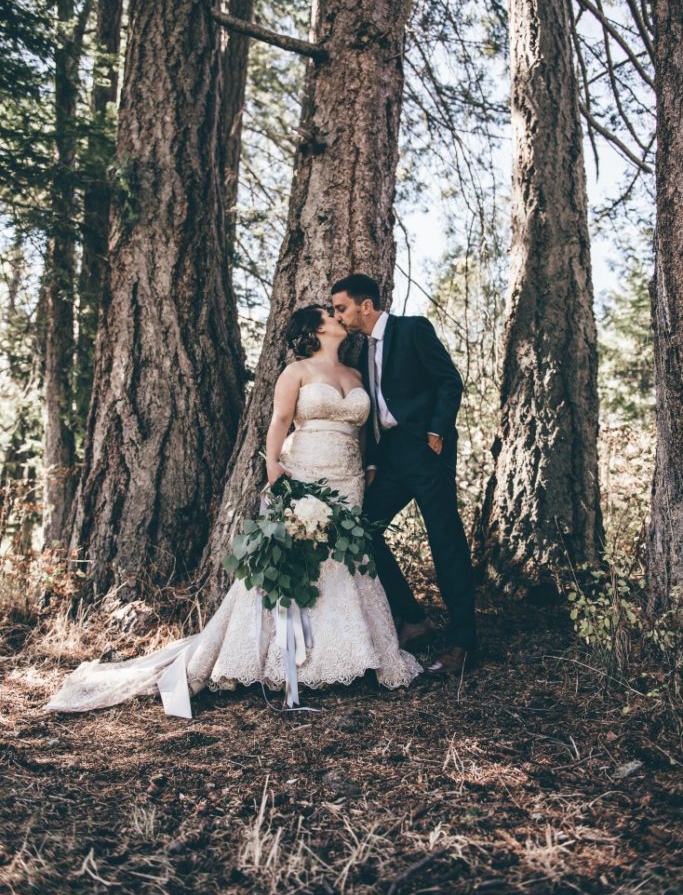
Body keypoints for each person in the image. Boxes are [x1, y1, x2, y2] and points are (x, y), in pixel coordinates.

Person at [46, 305, 420, 719]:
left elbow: (361, 431)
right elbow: (279, 420)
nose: (337, 318)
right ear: (316, 329)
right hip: (306, 470)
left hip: (348, 478)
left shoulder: (355, 375)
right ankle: (291, 658)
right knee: (301, 557)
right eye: (329, 315)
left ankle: (352, 654)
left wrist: (366, 467)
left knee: (342, 559)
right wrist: (273, 466)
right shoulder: (296, 371)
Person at [331, 273, 477, 675]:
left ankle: (464, 642)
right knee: (363, 530)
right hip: (391, 459)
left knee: (445, 541)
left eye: (341, 308)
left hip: (428, 452)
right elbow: (377, 412)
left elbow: (449, 382)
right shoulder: (361, 351)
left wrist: (437, 432)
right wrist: (373, 462)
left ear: (365, 305)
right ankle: (414, 618)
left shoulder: (412, 329)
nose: (338, 316)